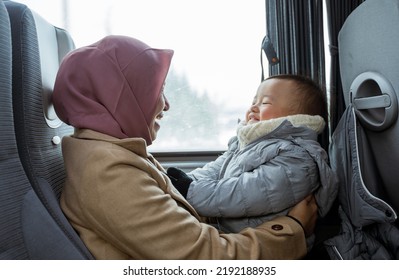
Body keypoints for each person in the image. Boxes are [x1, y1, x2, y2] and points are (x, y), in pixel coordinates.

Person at [53, 35, 318, 260]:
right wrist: (292, 228)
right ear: (120, 96)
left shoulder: (114, 151)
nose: (166, 104)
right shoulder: (107, 172)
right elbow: (203, 256)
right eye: (155, 91)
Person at [167, 74, 338, 241]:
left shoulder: (298, 159)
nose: (253, 107)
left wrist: (191, 191)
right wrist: (182, 182)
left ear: (298, 117)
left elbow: (243, 193)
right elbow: (216, 169)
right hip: (235, 234)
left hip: (273, 246)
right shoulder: (248, 144)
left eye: (265, 103)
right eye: (253, 101)